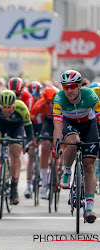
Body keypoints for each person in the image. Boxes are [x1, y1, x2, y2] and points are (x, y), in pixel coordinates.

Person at [53, 70, 99, 224]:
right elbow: (58, 126)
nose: (69, 90)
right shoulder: (59, 98)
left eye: (72, 86)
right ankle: (66, 172)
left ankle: (89, 208)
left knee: (89, 166)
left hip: (89, 125)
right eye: (66, 87)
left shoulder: (90, 95)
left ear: (80, 86)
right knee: (73, 141)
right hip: (70, 124)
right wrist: (57, 145)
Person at [0, 90, 33, 205]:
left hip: (16, 128)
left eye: (10, 107)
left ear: (15, 104)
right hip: (0, 125)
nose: (7, 110)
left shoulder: (22, 108)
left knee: (15, 153)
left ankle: (13, 186)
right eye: (4, 107)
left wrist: (28, 143)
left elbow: (29, 130)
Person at [28, 86, 58, 199]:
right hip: (48, 123)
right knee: (45, 146)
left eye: (53, 103)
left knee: (62, 146)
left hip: (60, 121)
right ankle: (44, 186)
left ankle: (60, 169)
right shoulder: (39, 105)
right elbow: (31, 122)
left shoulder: (63, 103)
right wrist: (34, 137)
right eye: (48, 103)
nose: (50, 106)